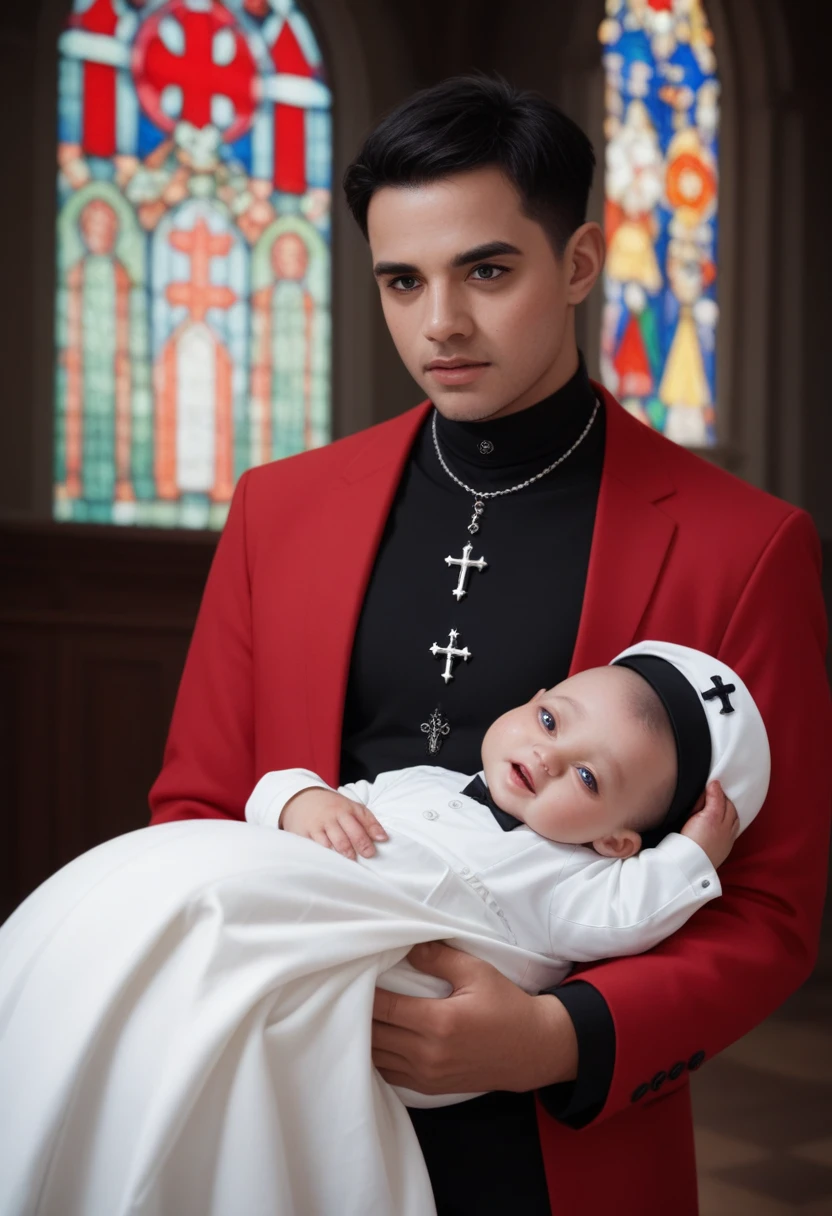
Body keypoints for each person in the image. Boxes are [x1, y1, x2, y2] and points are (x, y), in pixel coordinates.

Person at [147, 75, 832, 1216]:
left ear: (575, 264)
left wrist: (550, 1039)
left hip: (557, 1150)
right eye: (402, 281)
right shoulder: (281, 508)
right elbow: (199, 807)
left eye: (488, 270)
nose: (441, 324)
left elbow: (767, 912)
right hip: (280, 1104)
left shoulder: (743, 546)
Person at [0, 643, 769, 1216]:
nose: (547, 754)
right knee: (142, 919)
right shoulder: (423, 781)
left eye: (590, 779)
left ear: (617, 842)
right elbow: (295, 791)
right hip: (289, 896)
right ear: (535, 696)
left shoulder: (573, 882)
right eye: (549, 719)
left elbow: (637, 916)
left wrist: (696, 853)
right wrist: (303, 803)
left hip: (369, 978)